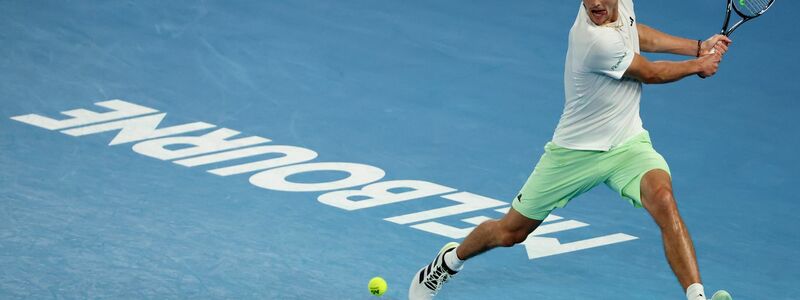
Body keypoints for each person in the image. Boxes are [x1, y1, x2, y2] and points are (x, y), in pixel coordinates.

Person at [408, 0, 733, 299]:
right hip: (575, 152)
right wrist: (698, 65)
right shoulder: (594, 40)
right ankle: (448, 262)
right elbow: (649, 73)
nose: (594, 4)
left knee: (664, 200)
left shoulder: (620, 7)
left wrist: (697, 47)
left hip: (627, 143)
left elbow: (633, 32)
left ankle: (696, 295)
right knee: (510, 232)